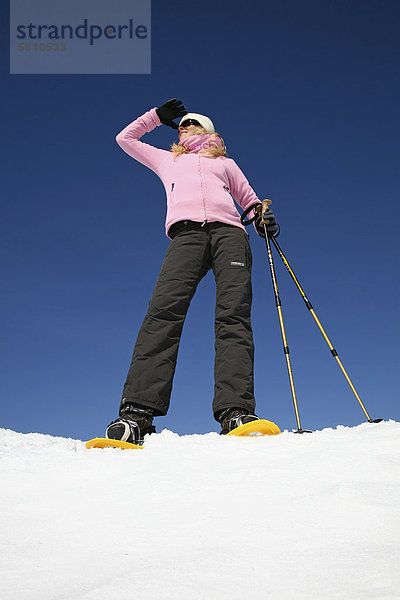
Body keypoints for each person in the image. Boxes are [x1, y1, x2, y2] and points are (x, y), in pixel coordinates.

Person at [106, 98, 279, 444]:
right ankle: (137, 413)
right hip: (186, 236)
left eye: (192, 122)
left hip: (230, 235)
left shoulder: (226, 164)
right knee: (162, 313)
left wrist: (261, 217)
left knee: (234, 317)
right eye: (181, 123)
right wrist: (155, 117)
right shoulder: (168, 159)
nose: (184, 125)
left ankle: (236, 412)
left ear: (208, 130)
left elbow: (249, 201)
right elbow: (125, 139)